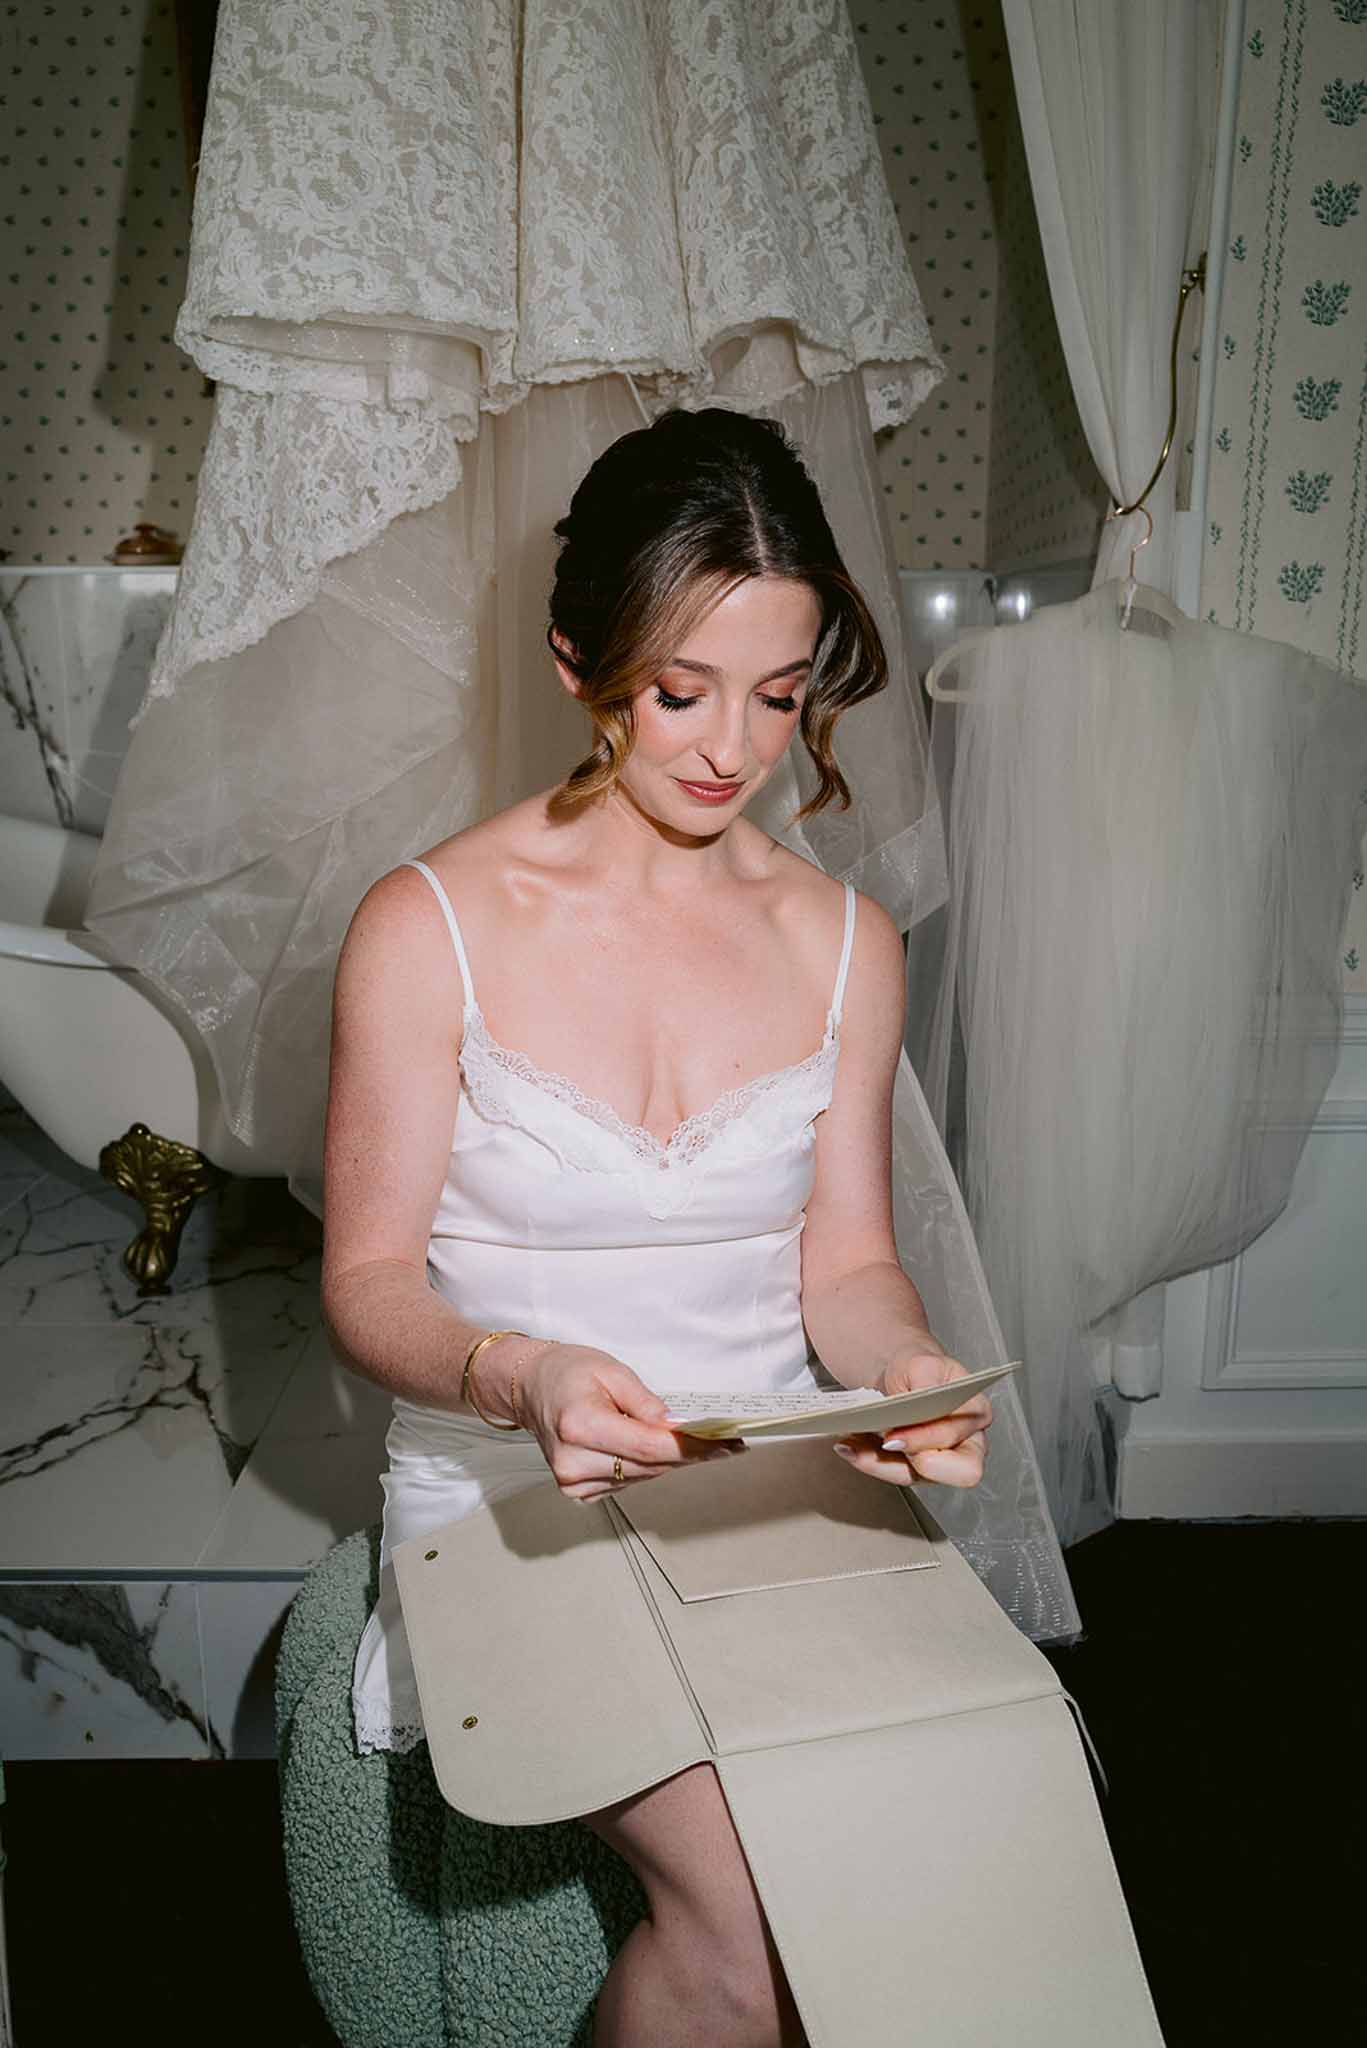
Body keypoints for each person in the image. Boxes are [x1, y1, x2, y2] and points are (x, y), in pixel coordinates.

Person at [321, 406, 993, 2048]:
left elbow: (844, 1262)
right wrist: (522, 1375)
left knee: (962, 1851)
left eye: (779, 693)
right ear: (578, 661)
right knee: (762, 1919)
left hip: (769, 1476)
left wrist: (904, 1364)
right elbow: (363, 1282)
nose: (732, 748)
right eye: (681, 691)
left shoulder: (846, 943)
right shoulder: (430, 925)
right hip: (509, 1486)